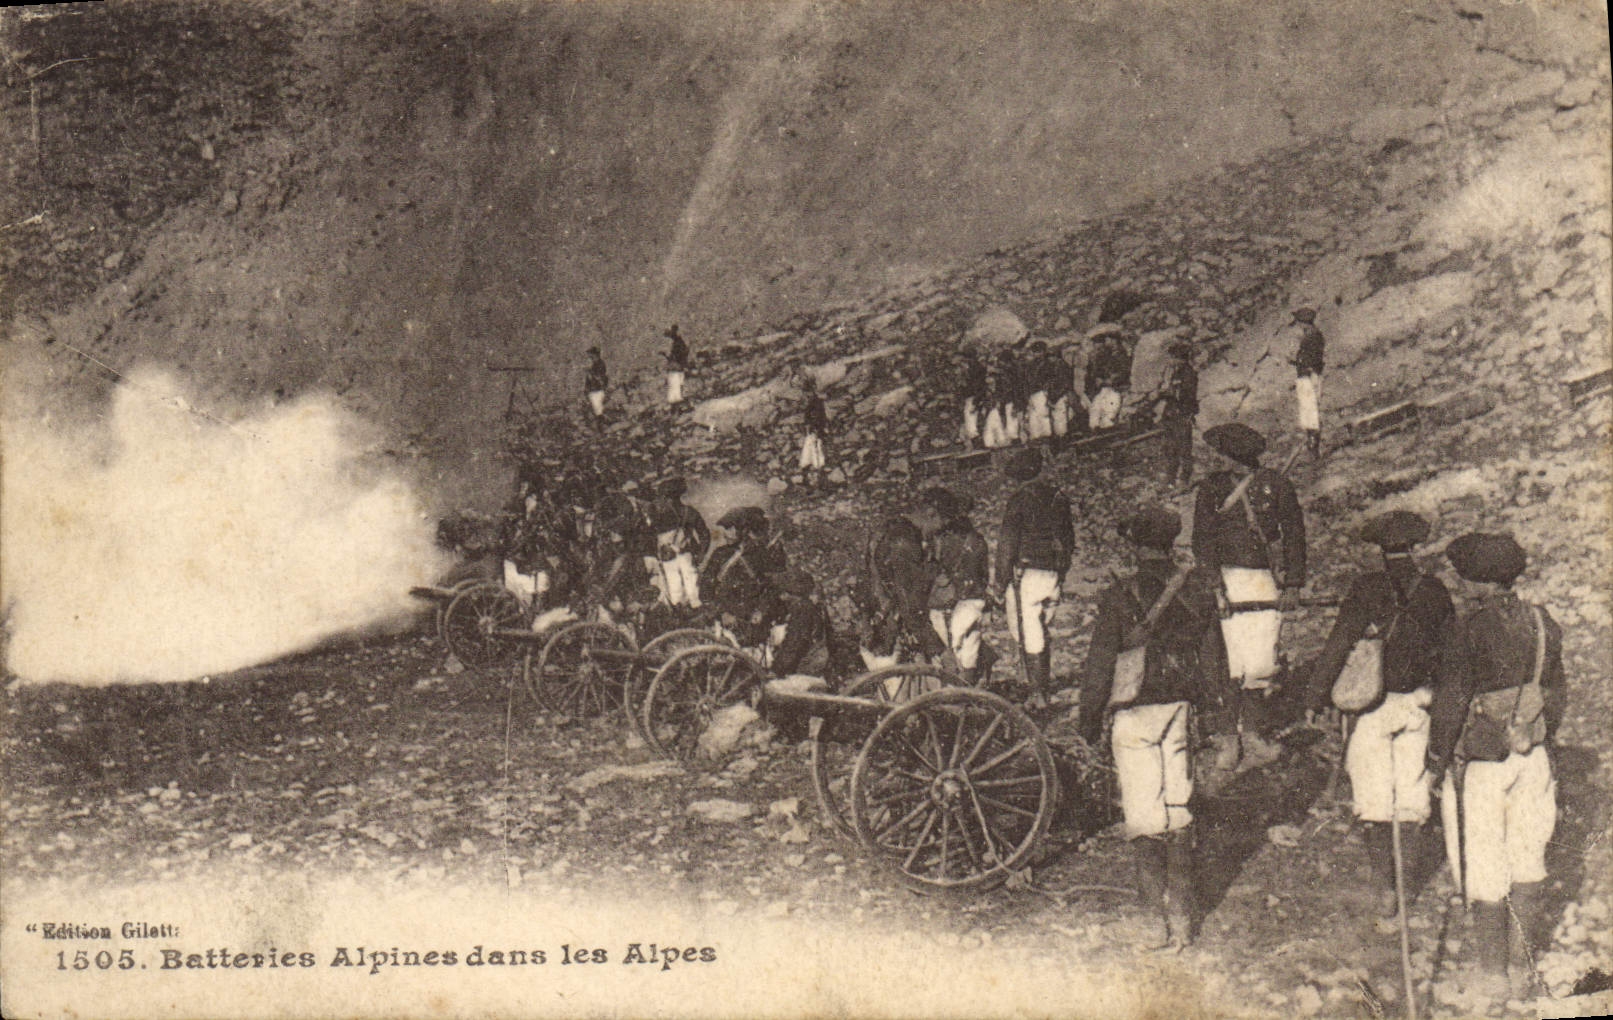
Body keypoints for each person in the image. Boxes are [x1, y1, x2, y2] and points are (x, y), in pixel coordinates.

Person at [1079, 507, 1232, 949]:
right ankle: (1183, 917)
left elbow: (1099, 666)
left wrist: (1088, 723)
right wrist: (1219, 719)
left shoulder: (1120, 595)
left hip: (1134, 711)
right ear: (1170, 544)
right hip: (1179, 709)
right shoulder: (1196, 592)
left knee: (1145, 815)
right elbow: (1213, 661)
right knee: (1178, 808)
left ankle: (1153, 921)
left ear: (1134, 545)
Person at [1425, 533, 1565, 1004]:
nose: (1461, 584)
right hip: (1534, 755)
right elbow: (1556, 696)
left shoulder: (1467, 629)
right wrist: (1530, 730)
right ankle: (1524, 970)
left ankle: (1493, 975)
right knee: (1529, 859)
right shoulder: (1542, 621)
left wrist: (1436, 759)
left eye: (1465, 577)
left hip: (1484, 763)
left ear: (1479, 582)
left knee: (1484, 866)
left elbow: (1450, 702)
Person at [1300, 511, 1455, 918]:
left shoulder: (1367, 589)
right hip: (1419, 705)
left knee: (1373, 803)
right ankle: (1406, 888)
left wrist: (1316, 697)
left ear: (1380, 550)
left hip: (1371, 707)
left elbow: (1338, 645)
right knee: (1412, 802)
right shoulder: (1435, 592)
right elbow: (1450, 655)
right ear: (1415, 546)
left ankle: (1387, 889)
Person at [1191, 422, 1306, 768]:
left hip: (1261, 580)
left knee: (1258, 660)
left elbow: (1295, 536)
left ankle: (1253, 733)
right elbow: (1202, 541)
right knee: (1229, 662)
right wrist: (1215, 585)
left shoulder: (1277, 486)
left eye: (1223, 454)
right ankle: (1228, 737)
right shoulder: (1211, 490)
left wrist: (1293, 584)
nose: (1220, 460)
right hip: (1226, 579)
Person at [994, 447, 1075, 704]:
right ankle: (1041, 686)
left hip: (1027, 575)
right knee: (1042, 630)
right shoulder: (1058, 497)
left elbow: (1007, 545)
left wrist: (1000, 581)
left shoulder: (1019, 500)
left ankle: (1038, 692)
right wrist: (1061, 570)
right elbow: (1069, 539)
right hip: (1053, 573)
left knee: (1029, 633)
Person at [858, 508, 949, 671]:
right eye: (940, 524)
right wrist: (939, 650)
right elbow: (910, 606)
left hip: (882, 617)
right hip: (889, 625)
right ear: (931, 514)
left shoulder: (893, 529)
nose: (937, 532)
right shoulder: (904, 542)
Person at [921, 488, 991, 684]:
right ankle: (967, 694)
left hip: (941, 603)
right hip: (970, 601)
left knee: (943, 657)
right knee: (969, 651)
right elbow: (982, 577)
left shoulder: (936, 541)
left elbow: (928, 574)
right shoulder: (976, 541)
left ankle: (948, 699)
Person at [644, 476, 709, 610]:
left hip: (669, 560)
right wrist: (701, 554)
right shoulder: (689, 512)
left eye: (664, 497)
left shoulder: (658, 515)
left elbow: (649, 538)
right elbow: (704, 534)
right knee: (691, 594)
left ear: (668, 498)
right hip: (687, 558)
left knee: (673, 593)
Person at [767, 569, 833, 677]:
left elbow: (794, 643)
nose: (779, 595)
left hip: (808, 665)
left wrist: (776, 669)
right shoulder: (808, 606)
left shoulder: (802, 611)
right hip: (814, 659)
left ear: (791, 592)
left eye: (782, 591)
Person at [1154, 339, 1198, 487]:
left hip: (1182, 413)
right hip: (1172, 412)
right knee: (1170, 446)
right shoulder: (1176, 373)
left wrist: (1165, 393)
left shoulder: (1189, 373)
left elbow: (1185, 395)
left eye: (1172, 357)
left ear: (1180, 358)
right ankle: (1170, 476)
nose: (1170, 361)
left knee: (1184, 447)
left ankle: (1184, 478)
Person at [1289, 308, 1325, 458]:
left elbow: (1314, 359)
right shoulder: (1311, 336)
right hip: (1307, 375)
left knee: (1310, 411)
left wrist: (1303, 365)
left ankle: (1313, 449)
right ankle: (1312, 447)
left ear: (1304, 323)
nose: (1297, 325)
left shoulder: (1313, 337)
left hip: (1309, 376)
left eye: (1299, 322)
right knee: (1308, 411)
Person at [1084, 325, 1132, 431]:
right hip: (1106, 386)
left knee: (1108, 410)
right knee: (1096, 408)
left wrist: (1108, 380)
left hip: (1117, 387)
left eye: (1108, 339)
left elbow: (1123, 372)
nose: (1106, 342)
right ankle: (1097, 428)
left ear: (1114, 340)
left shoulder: (1121, 355)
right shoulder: (1108, 355)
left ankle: (1107, 429)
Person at [799, 374, 830, 486]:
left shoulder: (816, 403)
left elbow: (819, 419)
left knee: (815, 453)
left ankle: (816, 481)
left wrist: (816, 430)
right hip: (813, 432)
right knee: (813, 453)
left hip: (815, 432)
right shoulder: (813, 403)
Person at [1023, 340, 1054, 441]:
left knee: (1042, 414)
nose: (1037, 354)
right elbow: (1027, 380)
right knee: (1034, 414)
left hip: (1041, 391)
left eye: (1039, 351)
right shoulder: (1031, 365)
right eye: (1035, 352)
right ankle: (1036, 436)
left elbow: (1049, 379)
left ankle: (1045, 435)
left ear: (1044, 352)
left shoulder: (1047, 364)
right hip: (1033, 392)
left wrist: (1046, 390)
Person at [958, 344, 989, 447]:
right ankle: (979, 438)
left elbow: (976, 384)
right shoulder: (978, 367)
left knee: (970, 415)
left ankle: (976, 439)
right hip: (977, 395)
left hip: (974, 395)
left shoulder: (974, 368)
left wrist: (976, 398)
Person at [663, 324, 690, 410]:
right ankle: (677, 405)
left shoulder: (678, 342)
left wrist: (667, 356)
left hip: (676, 367)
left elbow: (679, 355)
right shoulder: (679, 342)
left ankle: (677, 406)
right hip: (677, 367)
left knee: (675, 387)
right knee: (676, 386)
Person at [584, 346, 609, 422]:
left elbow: (599, 377)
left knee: (598, 411)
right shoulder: (595, 364)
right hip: (593, 390)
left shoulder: (600, 364)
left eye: (591, 354)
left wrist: (590, 373)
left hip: (597, 390)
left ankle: (602, 426)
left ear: (595, 354)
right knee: (596, 410)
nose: (589, 357)